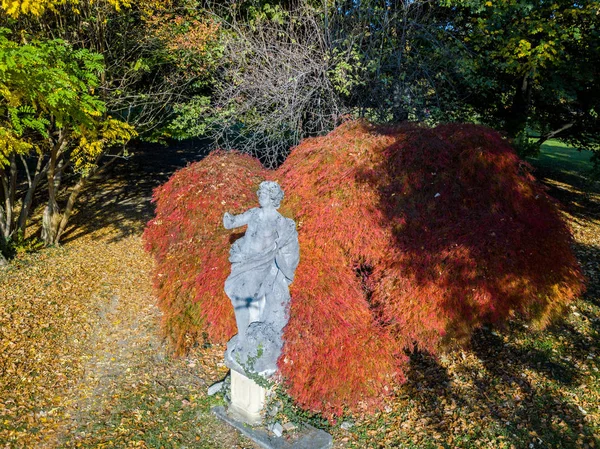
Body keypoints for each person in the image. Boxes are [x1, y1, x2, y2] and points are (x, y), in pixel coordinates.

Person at [223, 181, 299, 368]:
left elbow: (288, 246)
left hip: (262, 264)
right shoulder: (254, 213)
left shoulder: (280, 222)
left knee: (242, 298)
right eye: (260, 193)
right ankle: (243, 336)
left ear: (273, 199)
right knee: (237, 296)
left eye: (264, 194)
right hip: (245, 261)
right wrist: (228, 220)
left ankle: (243, 339)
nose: (260, 196)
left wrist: (282, 266)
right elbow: (234, 221)